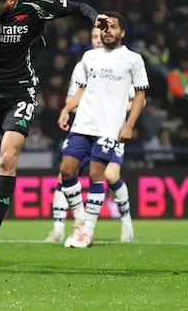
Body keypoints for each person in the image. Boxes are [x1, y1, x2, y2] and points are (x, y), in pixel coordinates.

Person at [0, 0, 108, 262]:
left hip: (20, 91)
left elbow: (77, 7)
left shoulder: (35, 4)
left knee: (6, 160)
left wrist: (95, 18)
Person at [55, 12, 148, 248]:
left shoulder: (133, 59)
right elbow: (83, 89)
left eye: (113, 27)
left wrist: (129, 125)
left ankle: (88, 231)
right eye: (104, 28)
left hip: (109, 128)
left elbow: (139, 96)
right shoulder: (89, 57)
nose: (108, 31)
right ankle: (81, 218)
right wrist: (67, 109)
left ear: (122, 32)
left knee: (98, 174)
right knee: (66, 170)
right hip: (83, 123)